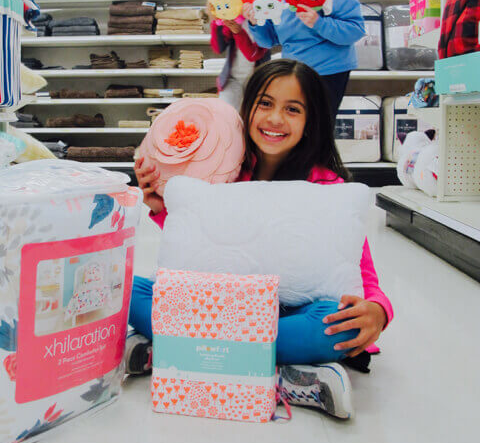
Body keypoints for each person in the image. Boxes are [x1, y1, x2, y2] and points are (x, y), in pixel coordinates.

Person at [126, 59, 393, 420]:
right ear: (247, 107)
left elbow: (365, 277)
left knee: (334, 322)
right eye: (265, 104)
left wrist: (378, 311)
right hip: (224, 304)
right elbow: (203, 245)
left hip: (289, 311)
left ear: (311, 121)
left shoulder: (329, 188)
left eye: (292, 109)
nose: (274, 119)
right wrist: (161, 209)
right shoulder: (222, 171)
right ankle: (288, 374)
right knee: (127, 290)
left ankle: (185, 350)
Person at [244, 0, 366, 120]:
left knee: (320, 127)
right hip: (294, 69)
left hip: (329, 69)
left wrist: (319, 23)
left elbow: (355, 29)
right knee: (297, 126)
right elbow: (269, 39)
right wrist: (255, 21)